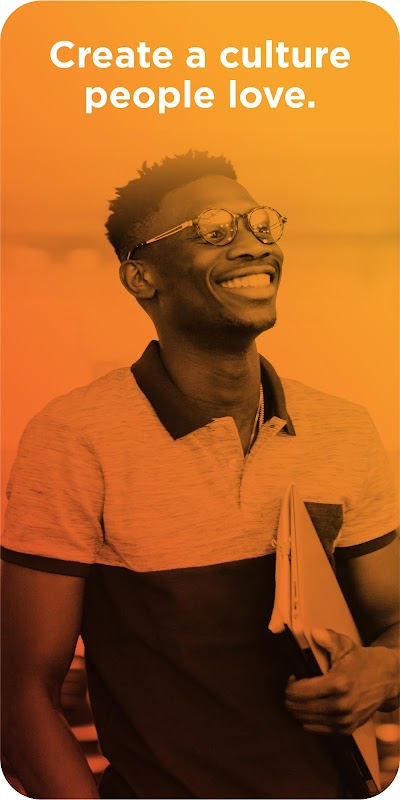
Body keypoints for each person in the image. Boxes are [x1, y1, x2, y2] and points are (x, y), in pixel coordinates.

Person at [1, 151, 399, 800]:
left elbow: (393, 622)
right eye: (214, 230)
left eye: (262, 224)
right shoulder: (74, 439)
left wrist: (381, 672)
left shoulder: (344, 429)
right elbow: (22, 693)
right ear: (142, 278)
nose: (254, 245)